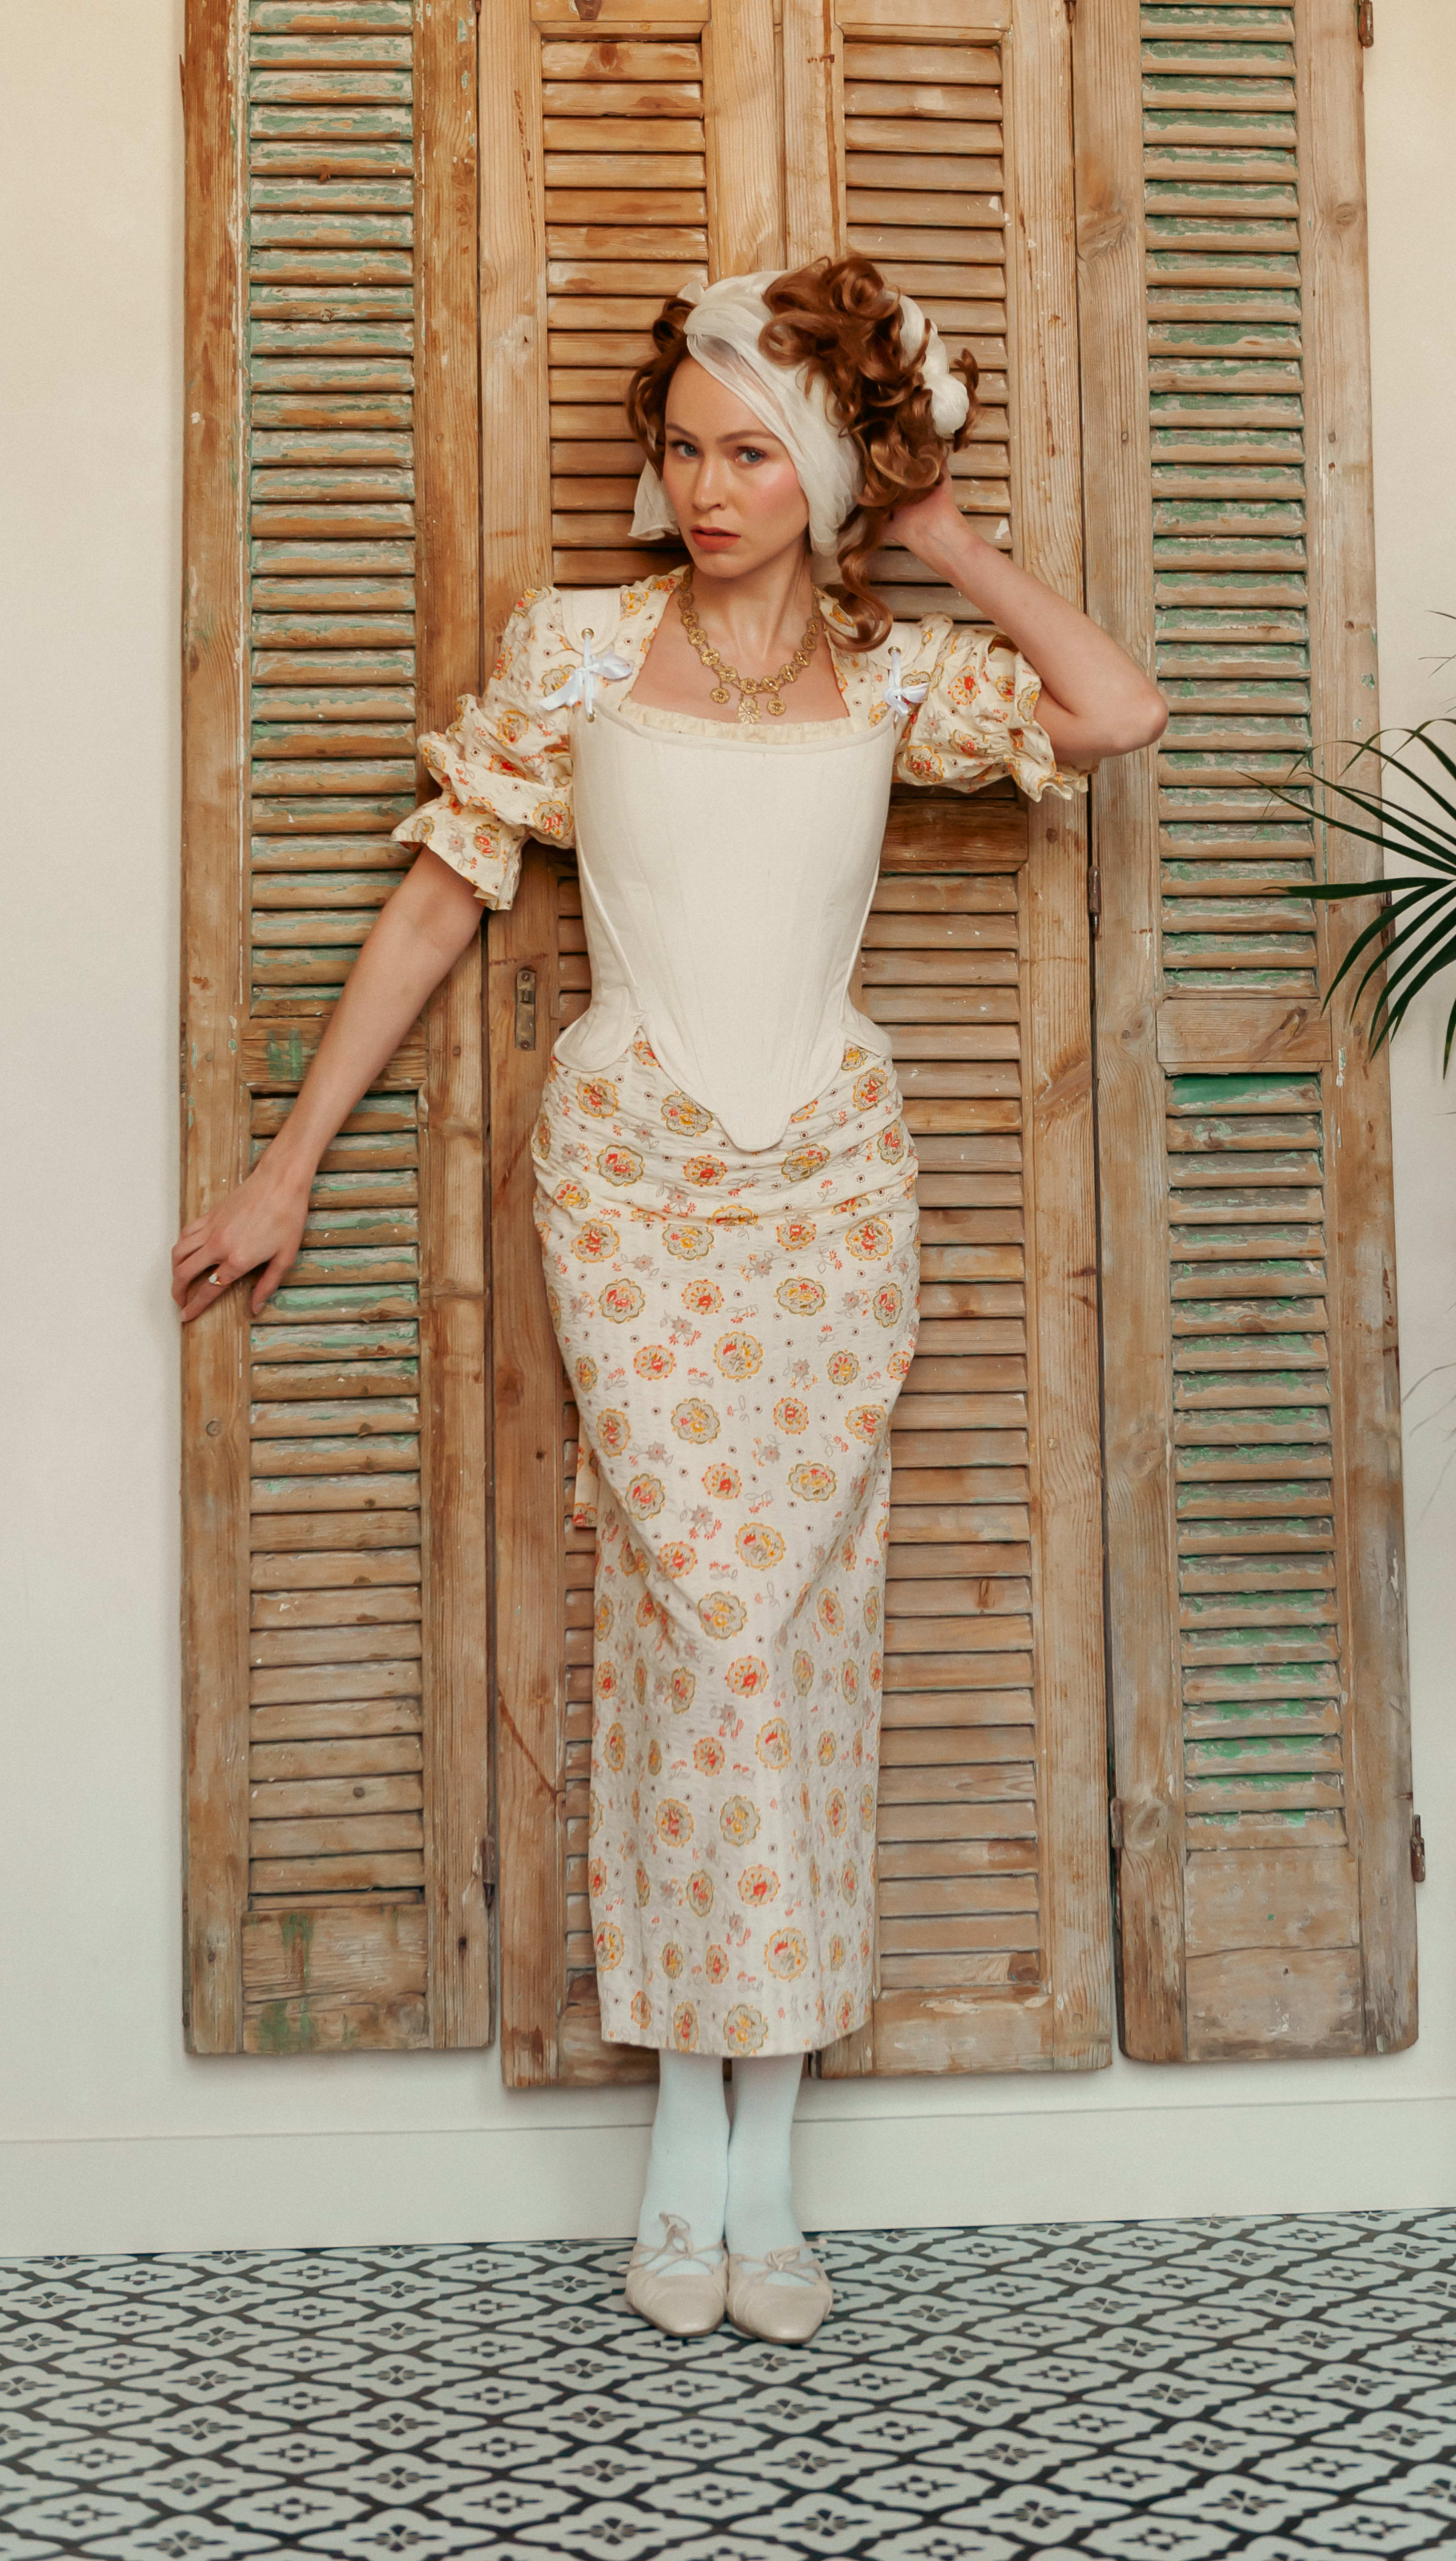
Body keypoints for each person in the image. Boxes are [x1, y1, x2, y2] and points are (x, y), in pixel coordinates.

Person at [174, 253, 1169, 2343]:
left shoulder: (895, 679)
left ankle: (764, 2160)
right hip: (627, 1169)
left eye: (752, 453)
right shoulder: (576, 653)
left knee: (803, 1623)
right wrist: (287, 1159)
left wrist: (948, 537)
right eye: (684, 447)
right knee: (700, 1612)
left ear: (819, 473)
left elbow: (1115, 708)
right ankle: (678, 2142)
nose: (703, 487)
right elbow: (446, 897)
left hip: (831, 1184)